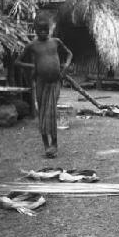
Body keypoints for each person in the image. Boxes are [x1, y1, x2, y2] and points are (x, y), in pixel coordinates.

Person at [15, 20, 73, 158]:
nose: (43, 32)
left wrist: (66, 66)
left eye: (45, 30)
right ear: (35, 31)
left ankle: (55, 144)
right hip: (41, 83)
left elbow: (70, 54)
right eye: (40, 30)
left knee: (51, 112)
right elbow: (17, 62)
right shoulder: (32, 45)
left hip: (55, 82)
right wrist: (34, 67)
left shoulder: (56, 42)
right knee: (42, 112)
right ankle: (46, 145)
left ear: (49, 30)